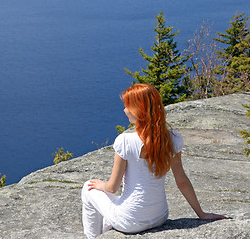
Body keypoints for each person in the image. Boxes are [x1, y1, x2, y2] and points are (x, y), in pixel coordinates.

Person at [81, 83, 227, 239]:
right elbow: (182, 182)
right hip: (159, 217)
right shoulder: (173, 139)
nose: (124, 110)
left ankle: (92, 237)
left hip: (130, 222)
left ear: (139, 110)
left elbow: (112, 188)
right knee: (115, 204)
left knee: (88, 188)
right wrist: (201, 214)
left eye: (127, 106)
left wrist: (101, 185)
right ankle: (104, 232)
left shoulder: (125, 141)